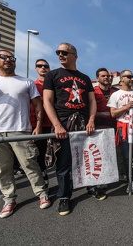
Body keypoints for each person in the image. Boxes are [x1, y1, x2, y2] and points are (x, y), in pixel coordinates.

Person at [0, 50, 50, 218]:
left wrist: (38, 126)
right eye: (3, 57)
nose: (8, 60)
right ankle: (9, 199)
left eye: (11, 58)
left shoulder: (26, 82)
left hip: (20, 129)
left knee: (30, 164)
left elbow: (38, 106)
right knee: (3, 168)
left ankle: (41, 193)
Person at [43, 43, 97, 216]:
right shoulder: (53, 75)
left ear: (75, 55)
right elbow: (47, 102)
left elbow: (92, 101)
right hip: (64, 122)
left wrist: (91, 120)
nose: (60, 54)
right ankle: (64, 196)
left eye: (64, 52)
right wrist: (57, 124)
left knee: (87, 158)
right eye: (58, 52)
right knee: (64, 163)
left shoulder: (85, 78)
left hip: (83, 122)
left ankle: (91, 186)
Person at [107, 70, 133, 193]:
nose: (131, 79)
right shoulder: (116, 94)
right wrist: (125, 107)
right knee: (127, 157)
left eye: (132, 77)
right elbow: (113, 113)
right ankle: (131, 180)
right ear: (122, 78)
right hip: (124, 128)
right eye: (128, 77)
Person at [30, 59, 51, 187]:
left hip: (53, 124)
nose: (43, 68)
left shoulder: (53, 84)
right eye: (40, 66)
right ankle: (44, 179)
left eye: (46, 66)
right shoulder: (31, 85)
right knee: (40, 154)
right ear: (36, 69)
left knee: (58, 154)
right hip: (37, 125)